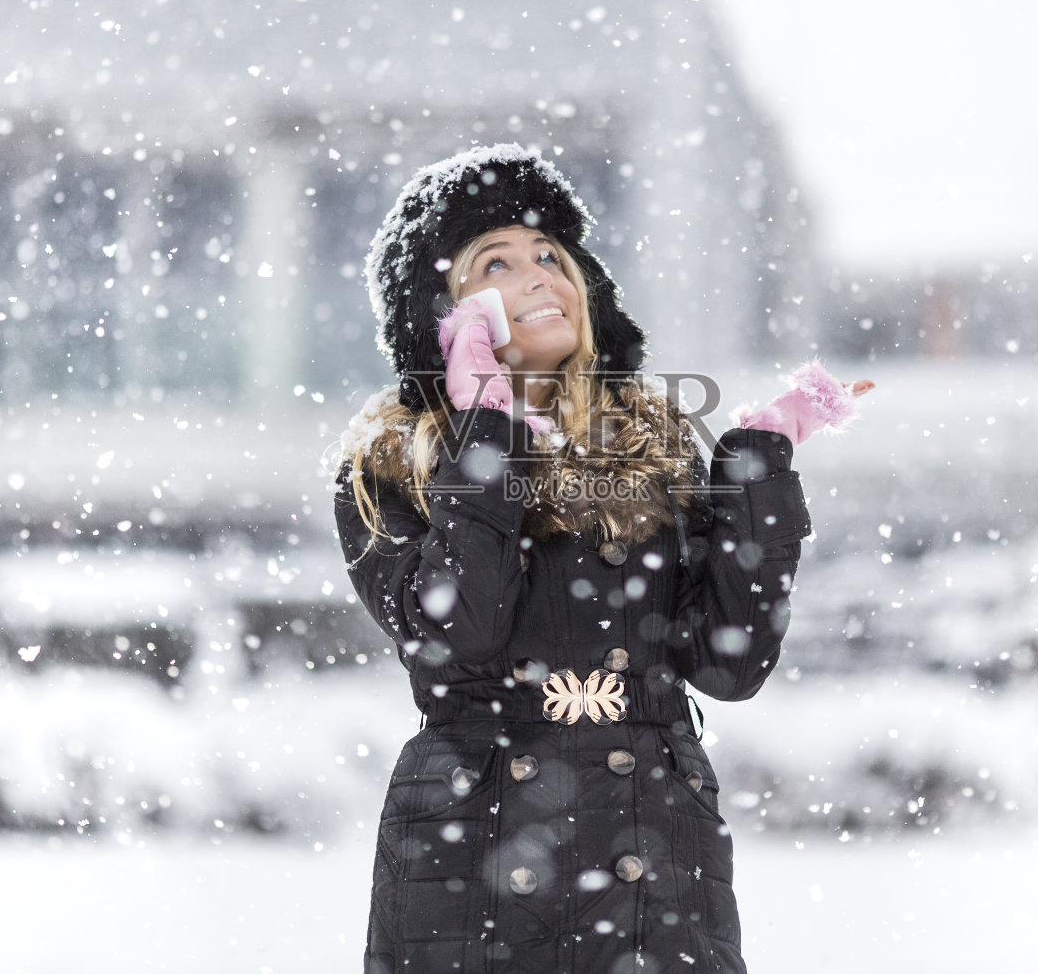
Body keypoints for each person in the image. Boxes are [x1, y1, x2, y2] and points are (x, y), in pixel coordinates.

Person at [331, 143, 870, 972]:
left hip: (654, 847)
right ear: (445, 315)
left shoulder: (654, 449)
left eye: (551, 255)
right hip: (472, 848)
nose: (540, 275)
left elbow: (729, 664)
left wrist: (756, 465)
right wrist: (485, 426)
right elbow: (462, 630)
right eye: (496, 262)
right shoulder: (389, 464)